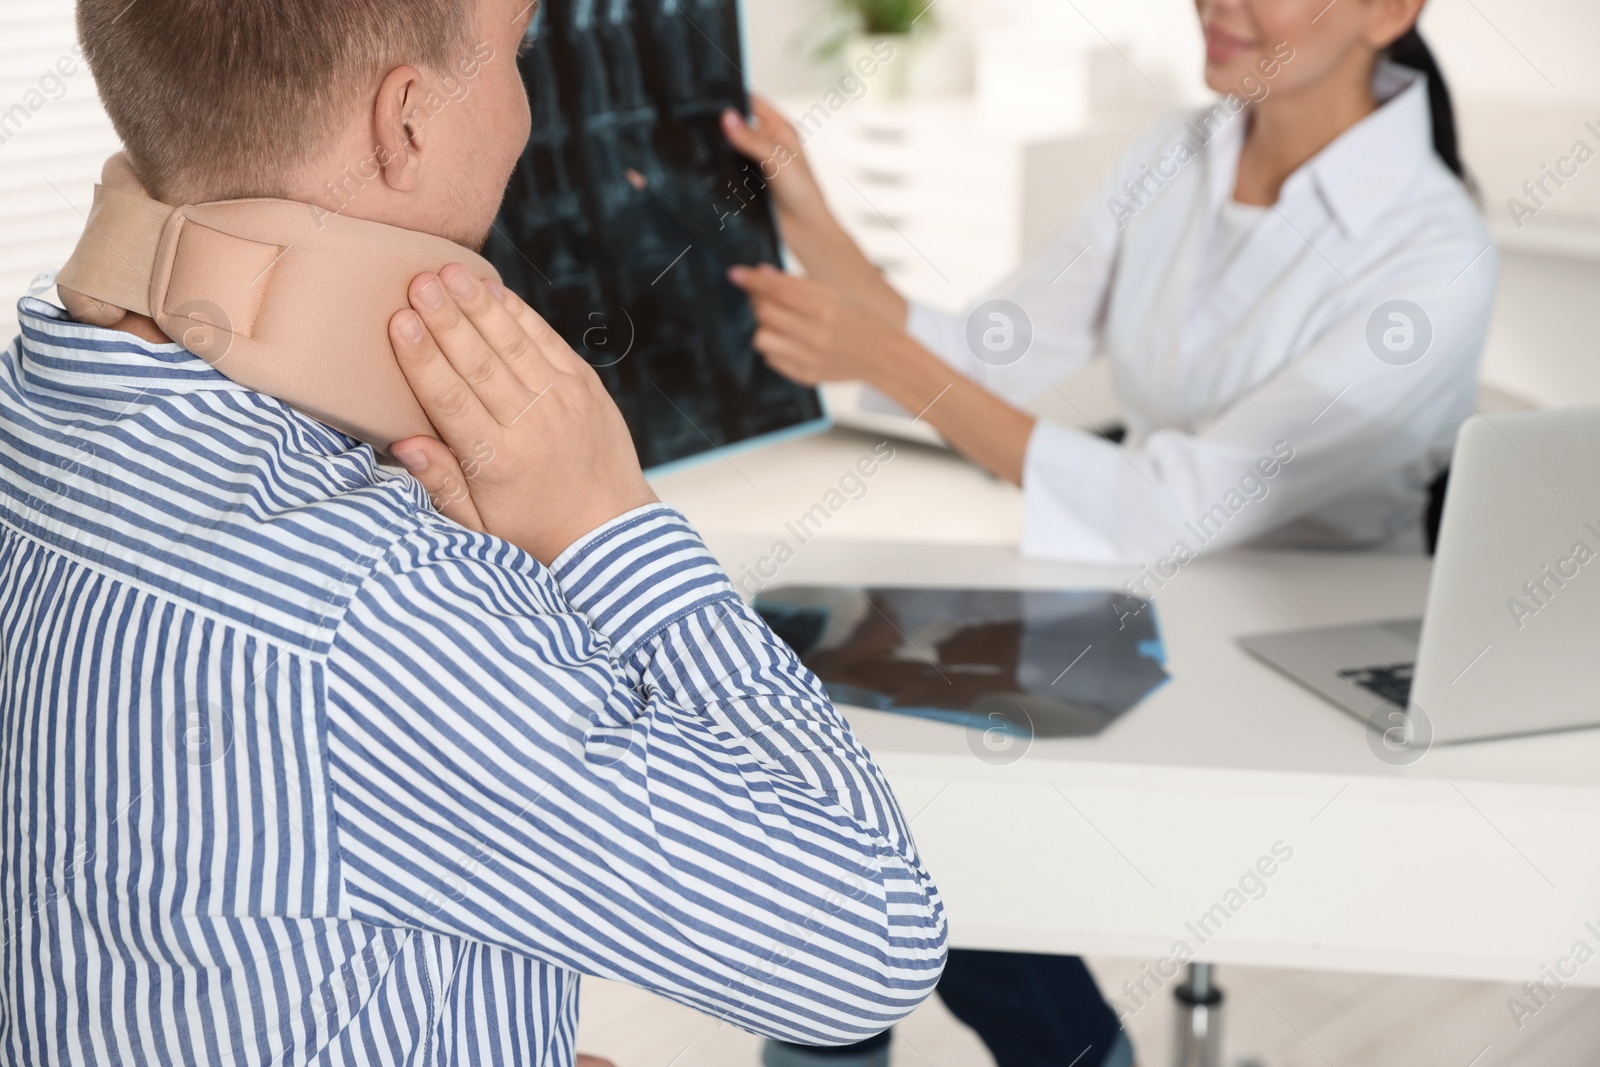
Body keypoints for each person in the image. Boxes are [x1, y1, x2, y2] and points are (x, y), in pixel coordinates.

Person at [0, 0, 946, 1063]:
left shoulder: (33, 413)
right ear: (406, 122)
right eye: (521, 50)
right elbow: (872, 947)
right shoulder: (374, 606)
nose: (530, 107)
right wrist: (604, 522)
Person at [724, 0, 1496, 1064]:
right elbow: (987, 354)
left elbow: (1178, 505)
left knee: (935, 841)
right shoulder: (1175, 154)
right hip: (1140, 591)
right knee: (860, 801)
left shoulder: (1432, 248)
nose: (1217, 6)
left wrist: (887, 360)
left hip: (1292, 646)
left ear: (1387, 11)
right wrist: (803, 207)